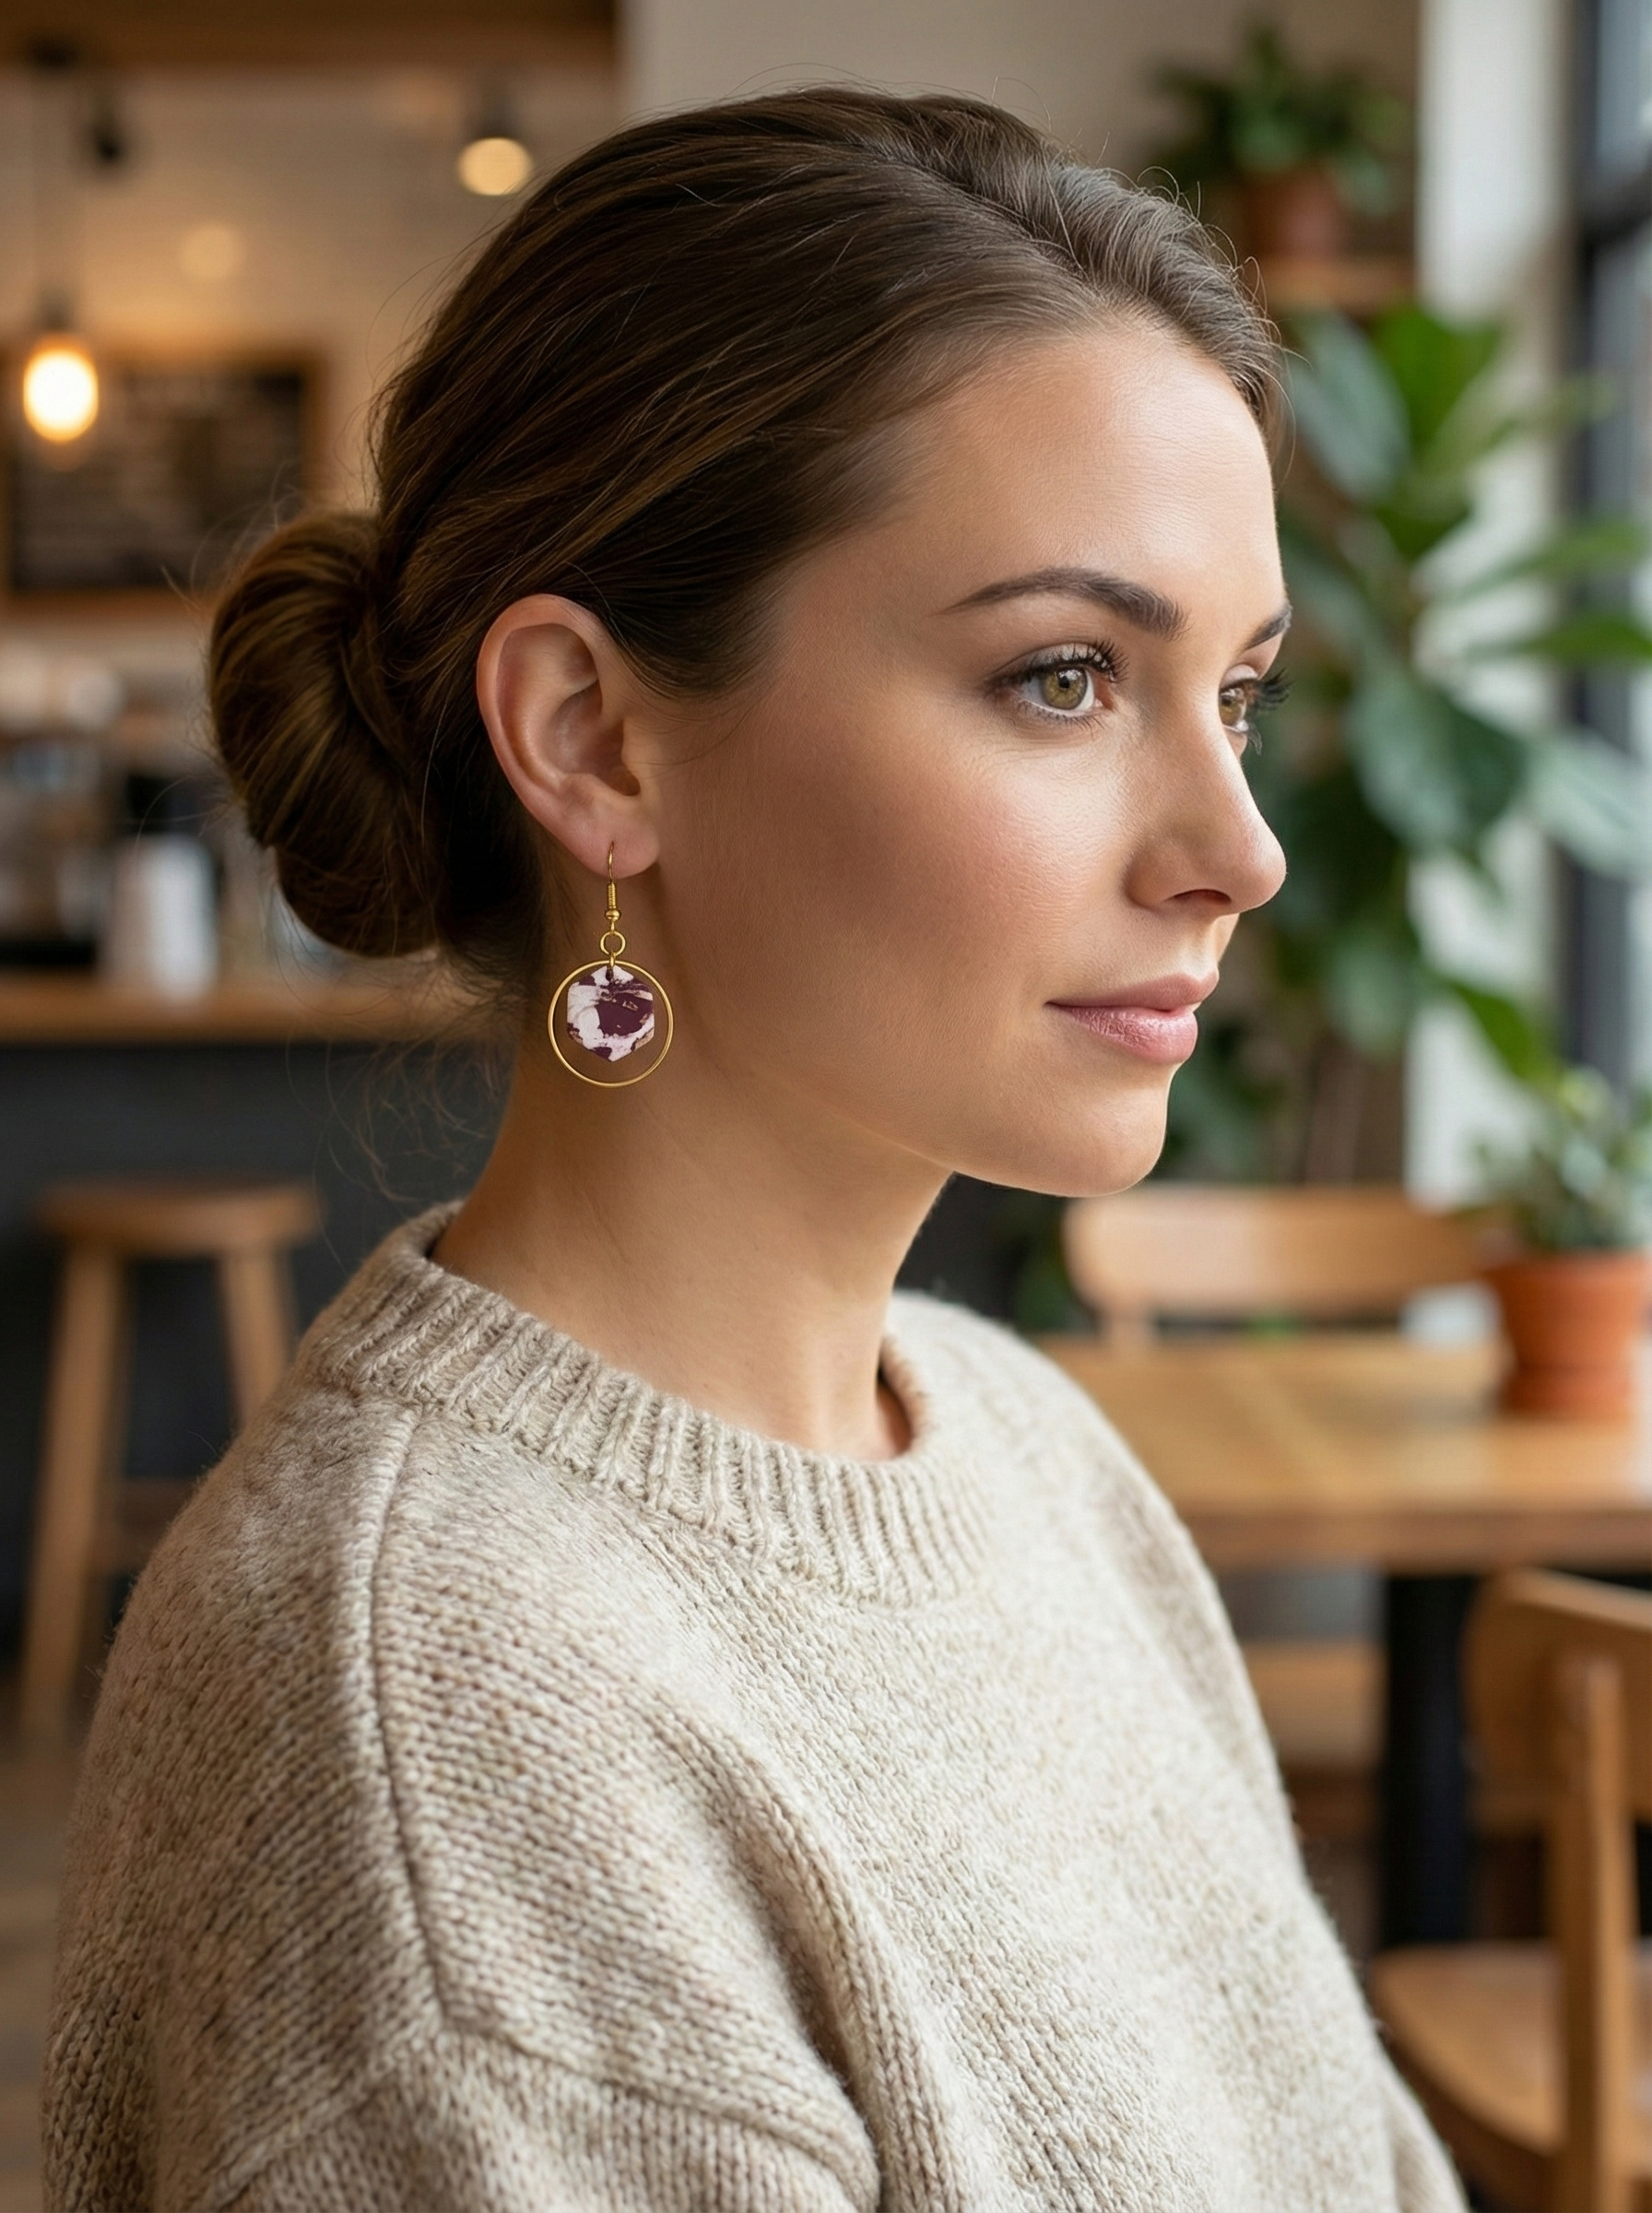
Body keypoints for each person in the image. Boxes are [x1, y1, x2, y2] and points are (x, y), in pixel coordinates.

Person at [42, 90, 1464, 2212]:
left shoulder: (1017, 1449)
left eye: (1233, 693)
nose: (1235, 851)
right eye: (1063, 677)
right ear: (591, 740)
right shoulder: (429, 1730)